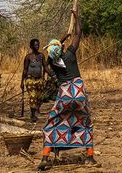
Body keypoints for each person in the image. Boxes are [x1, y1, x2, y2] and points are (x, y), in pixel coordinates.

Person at [38, 11, 96, 170]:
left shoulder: (52, 61)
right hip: (78, 93)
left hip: (64, 95)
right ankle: (90, 158)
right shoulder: (70, 55)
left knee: (52, 123)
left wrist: (62, 38)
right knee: (85, 122)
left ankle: (45, 158)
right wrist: (76, 18)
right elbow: (78, 33)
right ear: (62, 48)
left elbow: (51, 51)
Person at [22, 39, 46, 122]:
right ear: (31, 46)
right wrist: (22, 82)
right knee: (33, 97)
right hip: (30, 79)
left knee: (40, 97)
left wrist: (53, 75)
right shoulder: (28, 57)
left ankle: (35, 111)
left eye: (38, 44)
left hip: (39, 80)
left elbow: (45, 67)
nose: (37, 46)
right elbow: (24, 70)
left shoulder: (41, 56)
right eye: (35, 45)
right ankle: (32, 115)